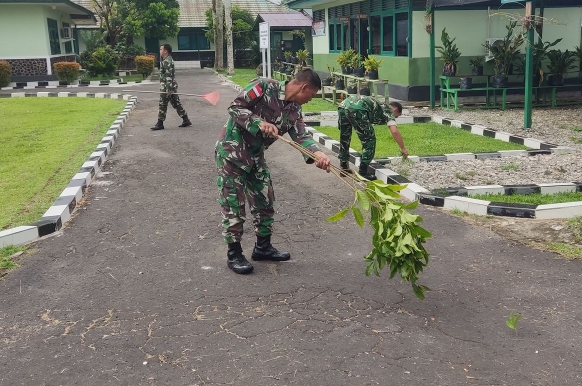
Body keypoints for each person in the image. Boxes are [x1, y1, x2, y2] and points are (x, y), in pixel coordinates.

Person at [216, 68, 331, 274]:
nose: (310, 100)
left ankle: (263, 247)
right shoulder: (264, 86)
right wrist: (259, 123)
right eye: (311, 95)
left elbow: (302, 137)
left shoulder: (294, 110)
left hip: (255, 157)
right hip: (232, 153)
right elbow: (235, 107)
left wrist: (318, 155)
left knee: (265, 199)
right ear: (303, 87)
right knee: (234, 204)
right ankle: (234, 254)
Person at [337, 96, 408, 178]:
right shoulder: (389, 111)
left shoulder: (381, 106)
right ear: (395, 110)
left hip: (343, 105)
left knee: (345, 136)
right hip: (357, 108)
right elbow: (394, 131)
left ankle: (344, 167)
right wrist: (403, 148)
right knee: (369, 140)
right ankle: (363, 172)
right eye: (396, 116)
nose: (395, 118)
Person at [151, 44, 191, 130]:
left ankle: (160, 123)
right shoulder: (167, 59)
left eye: (161, 49)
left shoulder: (167, 61)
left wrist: (168, 89)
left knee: (162, 104)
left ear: (165, 51)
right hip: (171, 86)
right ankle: (185, 119)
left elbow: (168, 76)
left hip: (167, 87)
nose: (160, 50)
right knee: (176, 103)